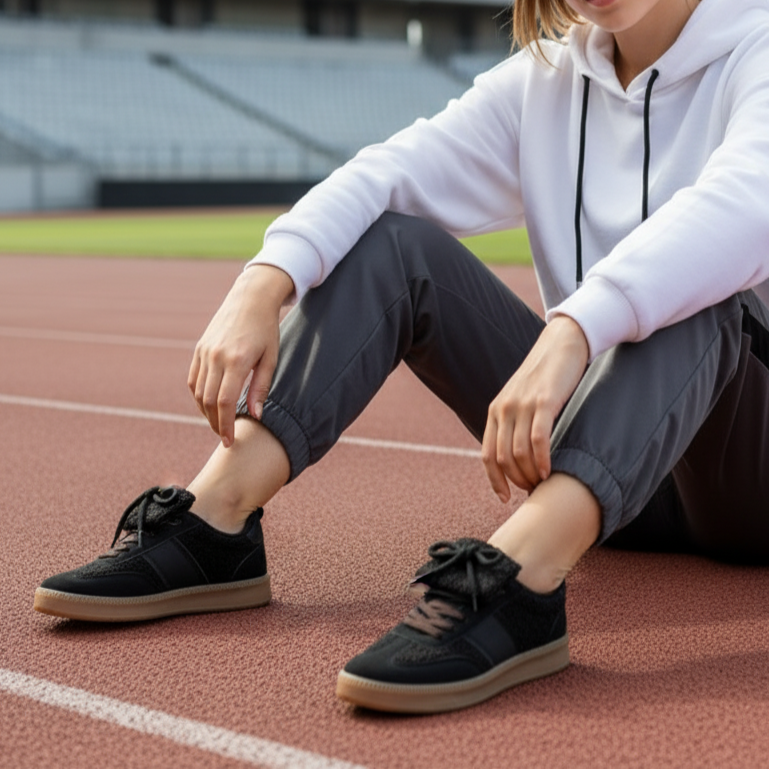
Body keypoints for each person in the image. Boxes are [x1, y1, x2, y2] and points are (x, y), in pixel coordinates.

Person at [34, 0, 769, 714]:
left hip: (747, 475)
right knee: (395, 242)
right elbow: (389, 171)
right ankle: (215, 525)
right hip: (608, 465)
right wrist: (264, 280)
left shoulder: (754, 47)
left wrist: (572, 330)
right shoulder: (545, 78)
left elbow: (742, 205)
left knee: (697, 290)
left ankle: (519, 588)